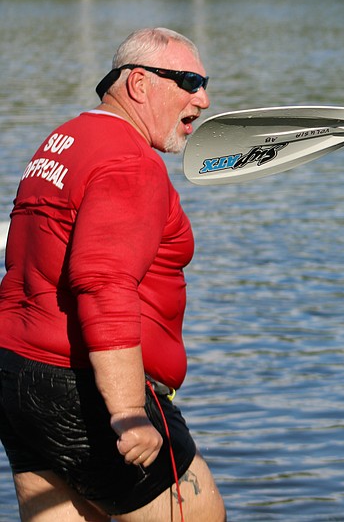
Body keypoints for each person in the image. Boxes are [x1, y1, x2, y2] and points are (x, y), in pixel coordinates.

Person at [0, 27, 225, 521]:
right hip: (85, 390)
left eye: (204, 83)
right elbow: (104, 283)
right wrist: (127, 413)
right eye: (189, 81)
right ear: (139, 84)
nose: (203, 98)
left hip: (18, 378)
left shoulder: (65, 140)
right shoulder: (129, 161)